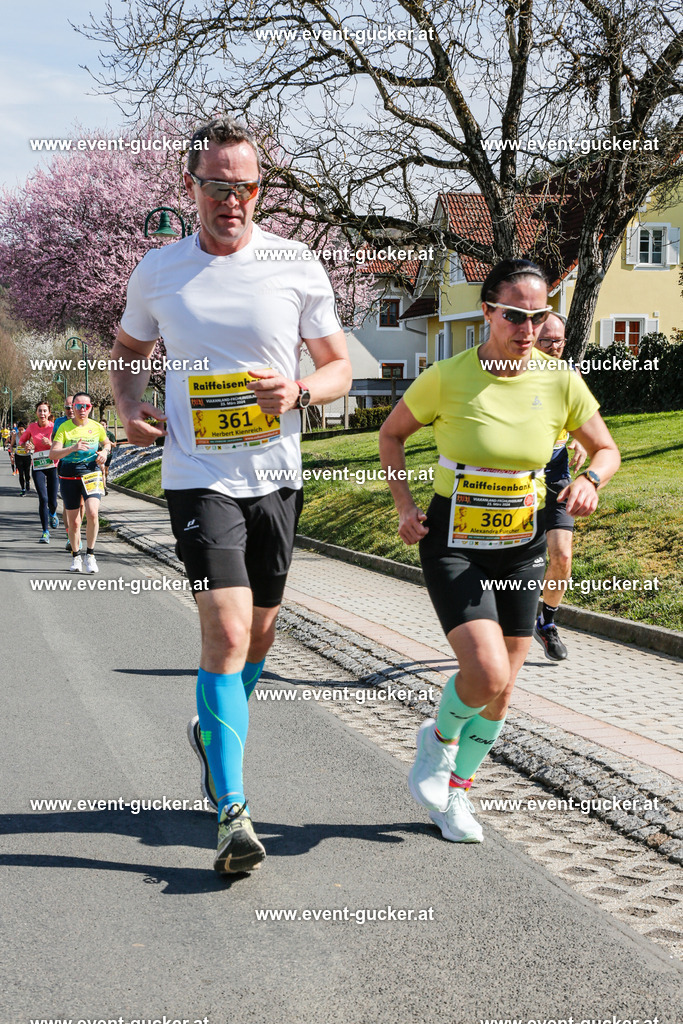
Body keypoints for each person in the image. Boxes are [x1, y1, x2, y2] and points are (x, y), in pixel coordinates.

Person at [110, 116, 352, 875]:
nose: (232, 199)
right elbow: (129, 350)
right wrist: (129, 405)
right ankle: (232, 810)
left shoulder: (294, 263)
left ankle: (211, 730)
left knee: (262, 636)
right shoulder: (159, 270)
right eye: (216, 186)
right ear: (192, 188)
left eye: (245, 186)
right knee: (225, 628)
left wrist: (301, 391)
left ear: (259, 190)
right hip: (197, 475)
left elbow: (340, 367)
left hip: (276, 476)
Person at [379, 258, 620, 844]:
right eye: (515, 315)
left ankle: (456, 794)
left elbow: (606, 448)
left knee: (505, 687)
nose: (528, 328)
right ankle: (437, 743)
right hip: (454, 542)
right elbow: (391, 434)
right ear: (487, 312)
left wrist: (591, 479)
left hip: (522, 542)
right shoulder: (448, 376)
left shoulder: (560, 380)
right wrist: (405, 506)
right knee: (485, 673)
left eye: (539, 317)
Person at [533, 314, 587, 661]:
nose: (555, 347)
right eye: (547, 341)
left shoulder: (570, 376)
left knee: (562, 556)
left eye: (560, 341)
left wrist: (581, 439)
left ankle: (546, 622)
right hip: (513, 483)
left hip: (555, 477)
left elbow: (585, 420)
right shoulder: (511, 375)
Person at [50, 392, 110, 573]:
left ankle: (90, 555)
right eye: (78, 406)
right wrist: (72, 448)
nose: (82, 409)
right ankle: (76, 556)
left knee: (92, 513)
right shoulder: (64, 427)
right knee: (74, 522)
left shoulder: (97, 427)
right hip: (69, 475)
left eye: (86, 406)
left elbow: (107, 443)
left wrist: (104, 452)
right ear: (73, 407)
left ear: (90, 408)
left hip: (91, 473)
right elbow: (53, 454)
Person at [20, 401, 59, 543]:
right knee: (43, 498)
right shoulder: (31, 427)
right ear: (36, 413)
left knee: (52, 501)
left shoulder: (54, 427)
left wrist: (51, 444)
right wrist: (27, 445)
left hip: (53, 465)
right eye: (40, 411)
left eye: (44, 411)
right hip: (38, 466)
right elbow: (22, 442)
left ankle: (53, 513)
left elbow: (62, 445)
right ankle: (45, 532)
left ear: (49, 413)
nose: (42, 413)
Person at [13, 424, 32, 495]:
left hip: (27, 456)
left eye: (22, 430)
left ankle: (27, 481)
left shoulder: (29, 435)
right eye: (19, 430)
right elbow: (11, 445)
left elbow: (33, 444)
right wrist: (12, 452)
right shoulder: (15, 435)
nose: (21, 431)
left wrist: (30, 448)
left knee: (27, 472)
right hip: (18, 456)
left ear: (25, 429)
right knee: (21, 473)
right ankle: (23, 489)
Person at [99, 419, 117, 493]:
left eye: (103, 425)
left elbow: (114, 445)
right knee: (102, 470)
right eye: (100, 425)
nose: (102, 426)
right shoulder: (97, 434)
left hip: (108, 455)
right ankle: (104, 486)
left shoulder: (110, 434)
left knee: (106, 471)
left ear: (106, 425)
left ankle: (105, 480)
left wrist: (107, 442)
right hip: (100, 454)